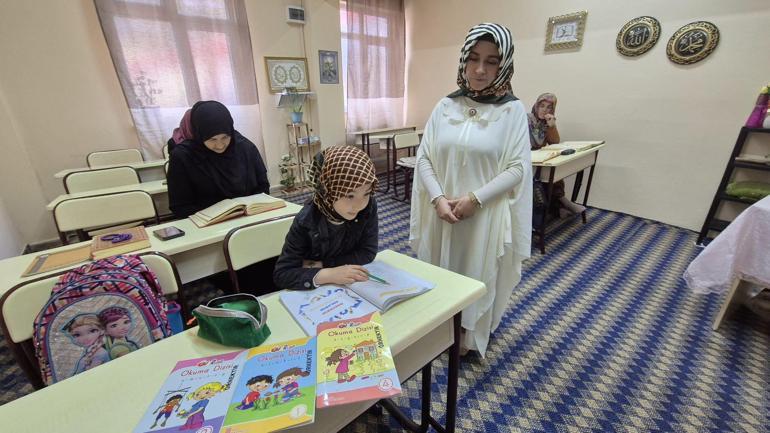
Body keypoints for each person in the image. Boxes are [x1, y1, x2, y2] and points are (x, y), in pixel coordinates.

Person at [409, 23, 532, 357]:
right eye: (473, 58)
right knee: (439, 268)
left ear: (504, 64)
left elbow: (517, 168)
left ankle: (467, 331)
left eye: (491, 61)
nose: (479, 69)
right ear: (463, 59)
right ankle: (437, 324)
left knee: (474, 271)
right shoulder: (445, 106)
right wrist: (437, 198)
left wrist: (475, 199)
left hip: (482, 214)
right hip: (442, 211)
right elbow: (425, 158)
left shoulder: (511, 111)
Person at [273, 145, 379, 290]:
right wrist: (327, 274)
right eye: (350, 195)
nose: (359, 205)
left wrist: (321, 265)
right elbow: (282, 274)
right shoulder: (306, 220)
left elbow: (368, 252)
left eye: (366, 193)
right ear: (328, 190)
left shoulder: (368, 207)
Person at [167, 100, 270, 218]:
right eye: (212, 139)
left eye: (225, 137)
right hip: (206, 223)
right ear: (199, 134)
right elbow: (180, 206)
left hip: (249, 218)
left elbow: (263, 186)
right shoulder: (183, 157)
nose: (220, 145)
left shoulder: (245, 148)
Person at [528, 92, 586, 216]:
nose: (545, 110)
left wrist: (552, 127)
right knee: (550, 174)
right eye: (542, 106)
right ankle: (563, 202)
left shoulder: (546, 123)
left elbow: (554, 142)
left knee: (555, 172)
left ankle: (558, 207)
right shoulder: (526, 119)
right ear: (536, 106)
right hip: (526, 161)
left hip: (539, 160)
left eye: (549, 107)